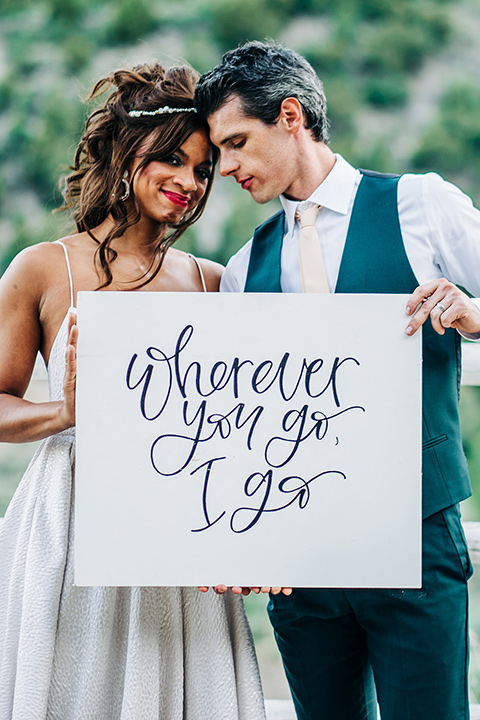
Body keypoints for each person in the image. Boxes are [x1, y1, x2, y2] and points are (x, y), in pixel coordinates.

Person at [194, 41, 480, 720]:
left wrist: (473, 315)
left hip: (415, 539)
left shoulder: (422, 206)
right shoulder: (244, 267)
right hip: (302, 569)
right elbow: (242, 427)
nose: (225, 167)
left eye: (236, 142)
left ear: (290, 116)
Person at [0, 62, 266, 720]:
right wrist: (64, 411)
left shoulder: (213, 282)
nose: (188, 181)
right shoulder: (44, 267)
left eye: (203, 169)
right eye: (172, 158)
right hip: (70, 519)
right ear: (126, 151)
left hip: (178, 518)